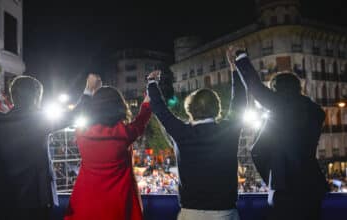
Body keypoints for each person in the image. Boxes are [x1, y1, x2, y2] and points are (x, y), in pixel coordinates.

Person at [0, 75, 95, 220]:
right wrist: (89, 90)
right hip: (36, 198)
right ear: (36, 97)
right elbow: (76, 114)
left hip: (2, 197)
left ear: (13, 95)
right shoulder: (41, 120)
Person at [230, 46, 328, 220]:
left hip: (285, 187)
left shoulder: (280, 106)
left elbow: (255, 86)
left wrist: (241, 56)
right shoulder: (317, 111)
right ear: (299, 88)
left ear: (277, 90)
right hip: (312, 185)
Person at [147, 59, 247, 219]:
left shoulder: (182, 132)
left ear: (189, 110)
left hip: (191, 213)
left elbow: (160, 110)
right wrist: (235, 69)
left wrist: (152, 82)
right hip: (225, 213)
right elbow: (240, 102)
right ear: (217, 109)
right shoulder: (229, 130)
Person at [64, 83, 151, 220]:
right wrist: (148, 96)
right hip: (117, 202)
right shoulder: (125, 133)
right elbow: (142, 120)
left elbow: (78, 112)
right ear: (119, 107)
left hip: (86, 200)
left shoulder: (81, 132)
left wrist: (87, 92)